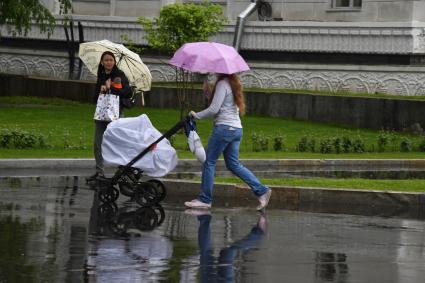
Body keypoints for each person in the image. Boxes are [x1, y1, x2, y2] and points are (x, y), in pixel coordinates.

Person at [184, 73, 272, 210]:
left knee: (208, 161)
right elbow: (222, 105)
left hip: (224, 129)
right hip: (236, 129)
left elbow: (214, 109)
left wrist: (196, 115)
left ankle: (205, 199)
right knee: (233, 164)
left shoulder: (222, 84)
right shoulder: (233, 83)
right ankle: (262, 190)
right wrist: (208, 94)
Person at [87, 51, 132, 182]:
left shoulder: (119, 75)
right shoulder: (101, 75)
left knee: (118, 143)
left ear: (114, 62)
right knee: (98, 143)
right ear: (102, 62)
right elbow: (95, 98)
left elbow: (127, 92)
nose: (108, 62)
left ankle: (123, 171)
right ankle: (99, 172)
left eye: (111, 60)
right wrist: (101, 90)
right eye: (106, 60)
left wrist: (111, 87)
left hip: (116, 113)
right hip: (102, 114)